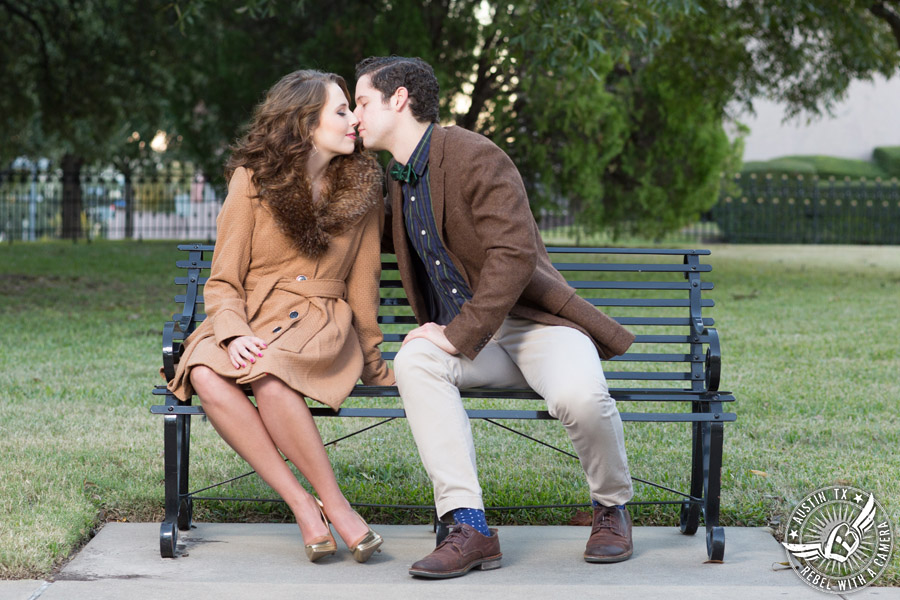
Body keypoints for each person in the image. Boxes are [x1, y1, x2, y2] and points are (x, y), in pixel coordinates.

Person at [353, 56, 637, 579]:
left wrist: (457, 332)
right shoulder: (397, 179)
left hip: (534, 326)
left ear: (398, 99)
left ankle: (611, 506)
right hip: (473, 345)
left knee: (581, 397)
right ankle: (469, 526)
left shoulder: (474, 155)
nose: (355, 116)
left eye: (362, 101)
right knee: (414, 361)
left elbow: (514, 255)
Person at [166, 69, 393, 563]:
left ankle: (336, 506)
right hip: (250, 313)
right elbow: (224, 279)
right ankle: (303, 505)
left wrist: (373, 360)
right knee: (203, 369)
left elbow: (365, 284)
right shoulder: (252, 180)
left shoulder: (365, 186)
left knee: (269, 374)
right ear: (305, 123)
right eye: (340, 111)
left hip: (319, 322)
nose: (353, 119)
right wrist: (231, 332)